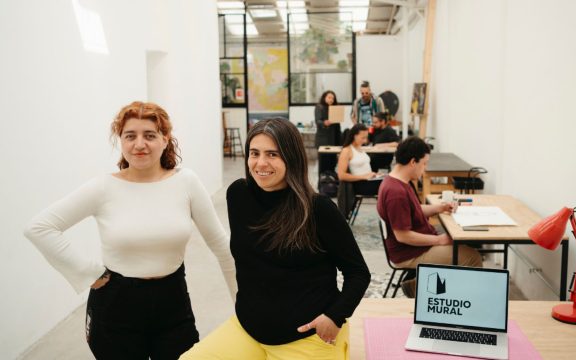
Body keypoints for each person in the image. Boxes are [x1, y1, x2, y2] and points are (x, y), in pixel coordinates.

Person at [24, 101, 237, 359]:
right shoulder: (103, 188)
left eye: (149, 135)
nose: (139, 144)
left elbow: (222, 247)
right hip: (115, 305)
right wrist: (88, 273)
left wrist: (243, 306)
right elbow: (40, 227)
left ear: (165, 139)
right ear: (120, 140)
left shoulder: (186, 182)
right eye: (130, 136)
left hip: (173, 301)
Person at [180, 118, 370, 359]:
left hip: (307, 337)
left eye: (272, 154)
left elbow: (358, 273)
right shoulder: (238, 194)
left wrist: (334, 317)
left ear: (291, 157)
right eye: (254, 153)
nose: (261, 163)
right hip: (248, 330)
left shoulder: (318, 209)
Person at [377, 137, 482, 297]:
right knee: (472, 258)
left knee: (462, 248)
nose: (424, 169)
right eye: (424, 163)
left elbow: (414, 210)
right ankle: (436, 292)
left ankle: (426, 286)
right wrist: (439, 240)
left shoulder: (397, 182)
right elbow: (403, 236)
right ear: (413, 162)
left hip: (415, 245)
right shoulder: (396, 193)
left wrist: (439, 208)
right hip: (408, 252)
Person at [336, 123, 382, 196]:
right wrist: (364, 176)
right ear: (354, 136)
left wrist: (374, 175)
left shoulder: (360, 149)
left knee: (391, 181)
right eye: (362, 138)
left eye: (366, 138)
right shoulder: (346, 151)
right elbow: (341, 176)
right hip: (360, 184)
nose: (365, 141)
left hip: (369, 181)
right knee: (391, 185)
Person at [315, 90, 341, 175]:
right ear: (324, 97)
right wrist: (324, 123)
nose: (331, 100)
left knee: (332, 162)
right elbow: (318, 121)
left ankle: (332, 181)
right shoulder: (319, 107)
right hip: (323, 139)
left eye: (333, 98)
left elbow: (338, 125)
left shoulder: (335, 108)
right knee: (323, 162)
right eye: (329, 97)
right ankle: (322, 183)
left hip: (333, 138)